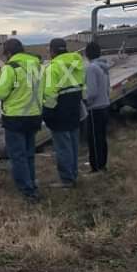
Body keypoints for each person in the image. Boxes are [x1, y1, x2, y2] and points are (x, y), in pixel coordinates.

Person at [0, 39, 44, 203]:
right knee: (29, 154)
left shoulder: (10, 68)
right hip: (34, 115)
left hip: (15, 118)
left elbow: (0, 93)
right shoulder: (37, 65)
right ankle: (32, 184)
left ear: (8, 53)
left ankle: (27, 190)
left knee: (18, 155)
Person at [41, 38, 86, 188]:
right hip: (75, 109)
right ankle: (73, 174)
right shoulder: (77, 63)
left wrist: (47, 114)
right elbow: (83, 86)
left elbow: (50, 94)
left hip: (60, 112)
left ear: (52, 51)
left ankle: (66, 180)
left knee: (62, 148)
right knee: (73, 145)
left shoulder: (52, 68)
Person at [84, 42, 111, 172]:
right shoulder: (104, 67)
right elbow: (107, 88)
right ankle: (103, 164)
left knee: (94, 139)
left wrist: (86, 102)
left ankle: (96, 168)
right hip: (104, 105)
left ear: (87, 53)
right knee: (101, 138)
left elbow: (92, 91)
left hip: (95, 108)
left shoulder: (91, 68)